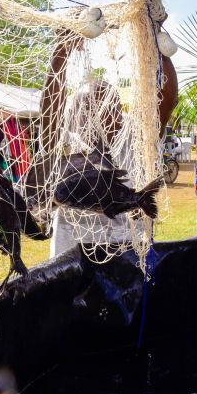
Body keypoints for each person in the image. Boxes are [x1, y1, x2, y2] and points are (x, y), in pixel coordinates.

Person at [34, 30, 178, 257]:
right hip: (72, 265)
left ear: (120, 112)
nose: (97, 114)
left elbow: (166, 101)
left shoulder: (136, 139)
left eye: (107, 104)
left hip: (130, 259)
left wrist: (158, 44)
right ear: (74, 114)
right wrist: (62, 51)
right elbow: (49, 112)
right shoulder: (67, 144)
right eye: (87, 106)